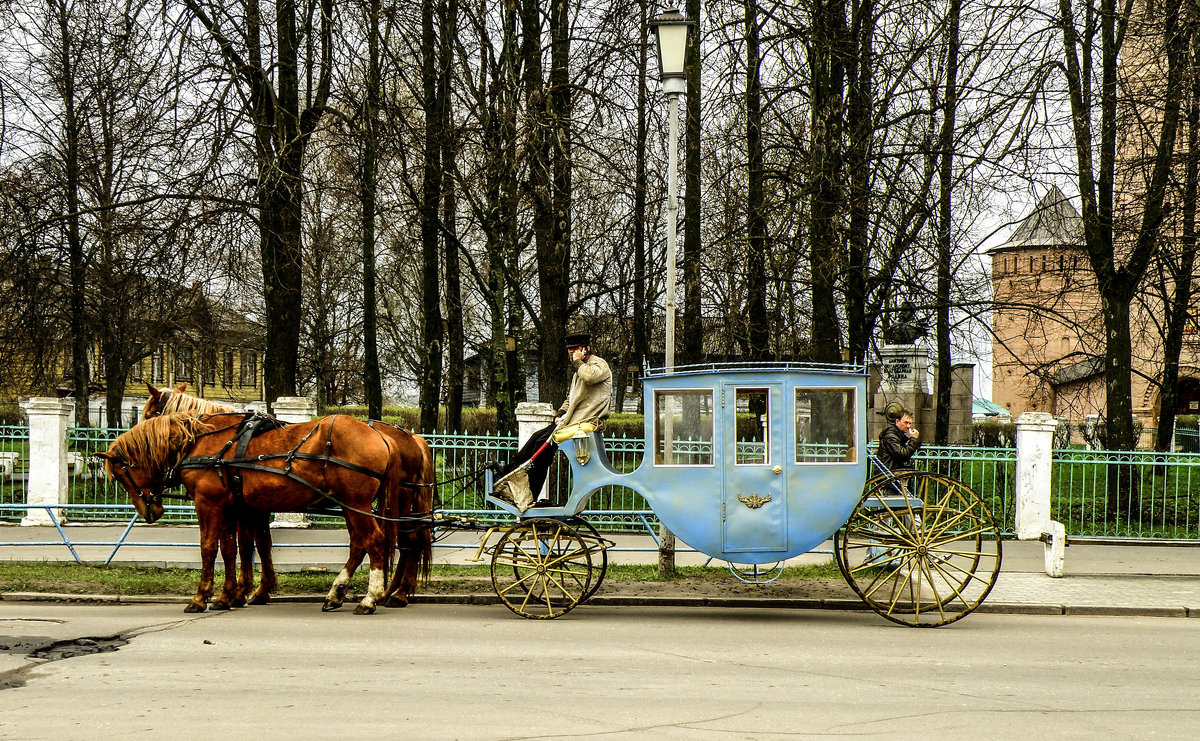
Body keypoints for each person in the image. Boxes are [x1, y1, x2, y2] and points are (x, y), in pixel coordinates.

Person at [494, 331, 612, 507]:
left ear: (586, 349)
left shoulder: (598, 364)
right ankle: (510, 472)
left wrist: (578, 361)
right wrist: (560, 412)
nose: (571, 353)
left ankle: (527, 494)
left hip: (583, 423)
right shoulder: (579, 370)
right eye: (569, 350)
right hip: (572, 422)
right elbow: (571, 399)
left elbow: (590, 376)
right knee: (537, 440)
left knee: (541, 447)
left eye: (575, 349)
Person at [877, 402, 921, 474]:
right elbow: (902, 455)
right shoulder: (890, 436)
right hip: (888, 475)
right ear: (897, 421)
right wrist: (913, 439)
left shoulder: (899, 435)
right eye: (906, 423)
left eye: (910, 423)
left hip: (894, 473)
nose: (908, 426)